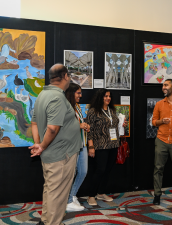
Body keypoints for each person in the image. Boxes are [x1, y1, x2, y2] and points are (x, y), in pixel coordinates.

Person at [29, 64, 81, 225]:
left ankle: (46, 220)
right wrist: (42, 145)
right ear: (65, 76)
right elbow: (52, 128)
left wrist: (38, 144)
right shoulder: (58, 97)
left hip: (52, 154)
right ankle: (52, 222)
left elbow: (35, 123)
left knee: (51, 190)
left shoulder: (42, 95)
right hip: (61, 155)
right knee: (58, 194)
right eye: (69, 76)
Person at [86, 89, 127, 206]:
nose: (108, 98)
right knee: (100, 170)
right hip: (100, 145)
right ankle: (91, 195)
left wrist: (121, 124)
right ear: (100, 97)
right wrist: (91, 146)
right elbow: (90, 131)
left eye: (109, 96)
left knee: (108, 170)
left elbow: (113, 125)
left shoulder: (111, 110)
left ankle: (101, 192)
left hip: (113, 145)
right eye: (105, 96)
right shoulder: (93, 111)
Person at [65, 83, 90, 211]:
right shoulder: (65, 107)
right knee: (70, 173)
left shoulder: (78, 107)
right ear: (71, 93)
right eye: (78, 93)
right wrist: (79, 126)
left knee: (83, 171)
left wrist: (85, 125)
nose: (81, 95)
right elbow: (62, 127)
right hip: (71, 145)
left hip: (82, 143)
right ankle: (68, 201)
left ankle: (72, 195)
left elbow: (80, 122)